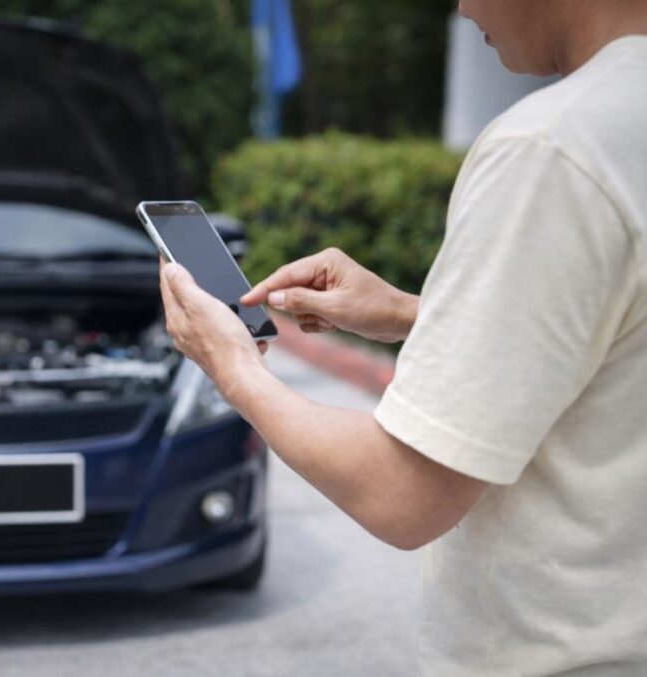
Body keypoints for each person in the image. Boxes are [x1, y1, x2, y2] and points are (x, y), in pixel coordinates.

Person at [158, 1, 647, 674]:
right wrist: (412, 312)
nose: (460, 4)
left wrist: (232, 366)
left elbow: (404, 492)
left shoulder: (555, 147)